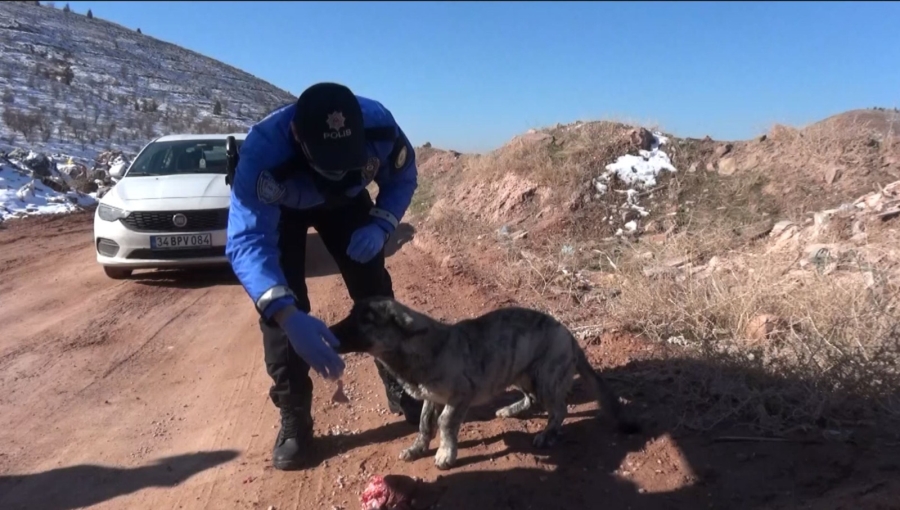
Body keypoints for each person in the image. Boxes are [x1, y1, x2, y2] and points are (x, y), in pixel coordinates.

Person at [225, 82, 423, 471]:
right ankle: (295, 414)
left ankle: (401, 383)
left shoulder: (381, 128)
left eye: (343, 160)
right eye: (326, 162)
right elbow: (248, 239)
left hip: (346, 203)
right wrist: (284, 314)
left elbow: (402, 179)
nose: (334, 171)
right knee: (284, 305)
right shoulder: (264, 153)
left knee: (375, 290)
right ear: (298, 137)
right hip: (283, 209)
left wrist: (381, 225)